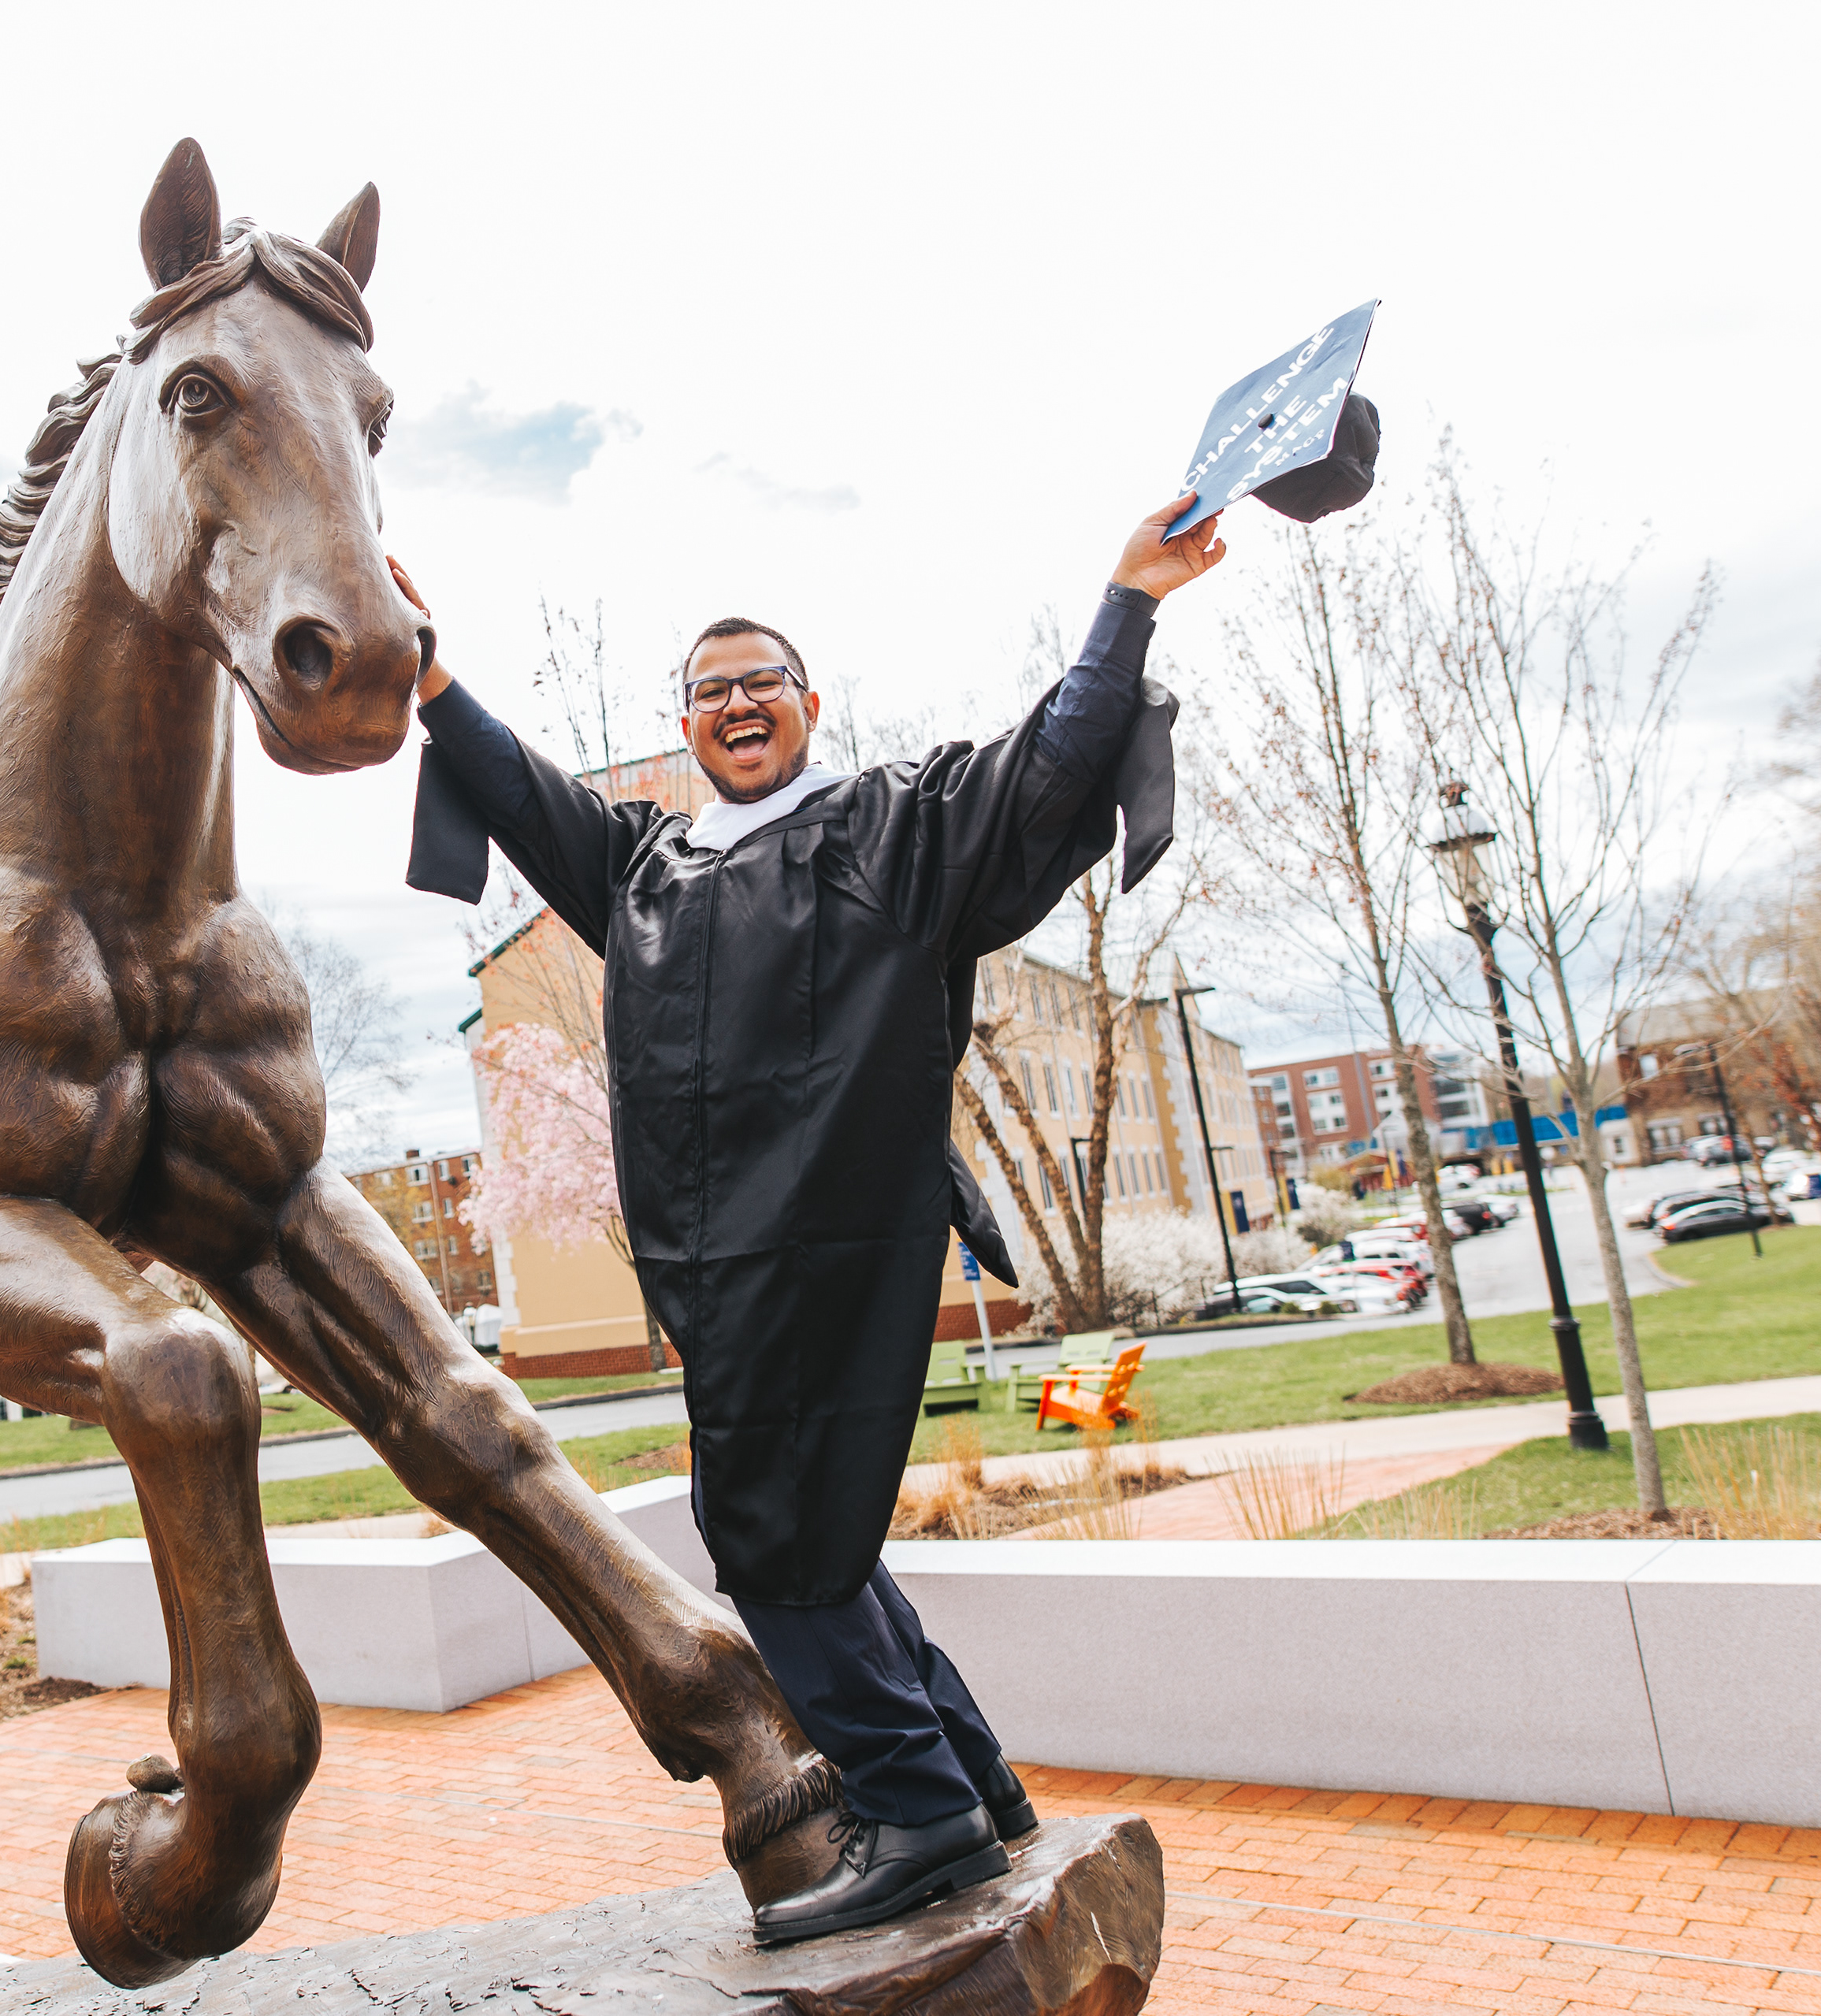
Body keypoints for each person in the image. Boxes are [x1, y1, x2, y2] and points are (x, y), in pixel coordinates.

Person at [391, 493, 1224, 1944]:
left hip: (837, 1248)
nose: (736, 705)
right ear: (686, 727)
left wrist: (1127, 597)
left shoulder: (890, 829)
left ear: (808, 703)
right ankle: (972, 1785)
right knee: (817, 1531)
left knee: (773, 1541)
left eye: (761, 682)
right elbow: (523, 793)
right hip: (716, 1277)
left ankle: (916, 1811)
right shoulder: (645, 873)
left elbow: (1046, 764)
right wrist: (428, 672)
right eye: (709, 691)